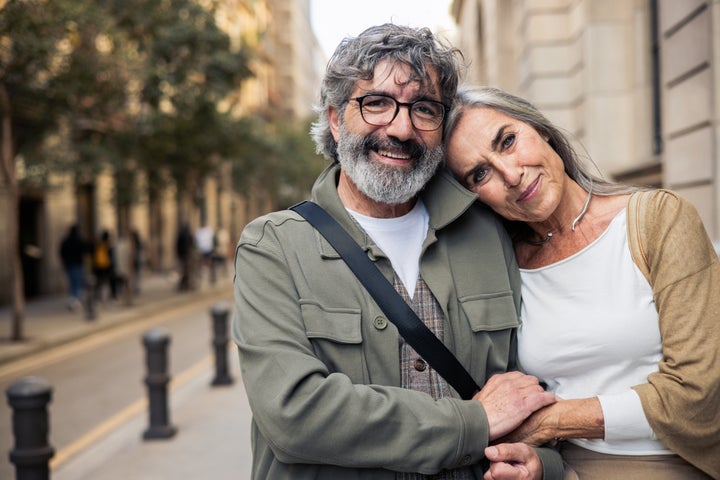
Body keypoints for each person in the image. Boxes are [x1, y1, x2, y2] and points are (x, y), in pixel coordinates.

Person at [232, 24, 565, 480]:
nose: (402, 128)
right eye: (377, 103)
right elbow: (293, 415)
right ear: (334, 119)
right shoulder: (273, 246)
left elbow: (537, 384)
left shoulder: (488, 231)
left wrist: (542, 463)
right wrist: (475, 421)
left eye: (423, 109)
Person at [443, 85, 720, 479]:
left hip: (673, 462)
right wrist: (536, 464)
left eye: (507, 141)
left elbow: (699, 394)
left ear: (543, 131)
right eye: (480, 173)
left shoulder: (657, 220)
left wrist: (552, 421)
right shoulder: (503, 266)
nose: (511, 174)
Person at [59, 223, 88, 310]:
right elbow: (85, 250)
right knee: (77, 283)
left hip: (69, 265)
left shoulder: (65, 241)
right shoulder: (79, 240)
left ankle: (73, 299)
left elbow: (61, 252)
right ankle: (74, 300)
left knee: (73, 283)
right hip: (78, 264)